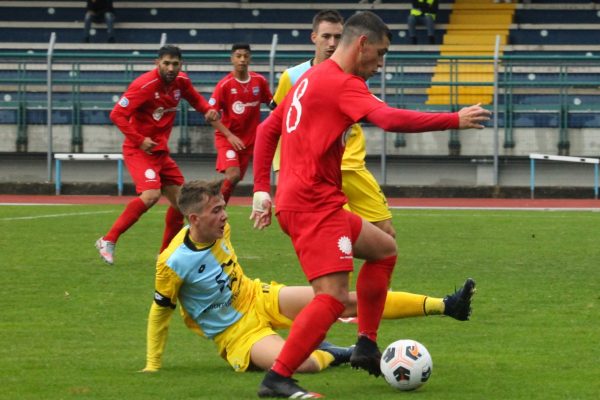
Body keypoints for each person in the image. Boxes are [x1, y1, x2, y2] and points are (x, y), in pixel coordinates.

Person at [251, 11, 490, 398]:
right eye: (379, 55)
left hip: (307, 200)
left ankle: (365, 343)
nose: (380, 65)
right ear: (361, 44)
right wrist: (453, 119)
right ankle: (277, 378)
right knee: (330, 297)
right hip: (313, 206)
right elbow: (389, 119)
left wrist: (263, 188)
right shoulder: (341, 83)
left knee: (384, 250)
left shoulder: (307, 77)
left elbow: (267, 129)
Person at [143, 179, 475, 375]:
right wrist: (153, 365)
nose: (225, 216)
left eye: (222, 208)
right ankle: (339, 351)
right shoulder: (172, 262)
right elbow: (160, 312)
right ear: (193, 218)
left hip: (260, 297)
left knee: (342, 302)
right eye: (216, 211)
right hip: (236, 334)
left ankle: (446, 305)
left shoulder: (221, 229)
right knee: (305, 366)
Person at [95, 45, 230, 265]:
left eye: (175, 64)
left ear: (180, 65)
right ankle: (108, 240)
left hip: (160, 152)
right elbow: (117, 114)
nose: (170, 67)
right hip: (139, 150)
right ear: (157, 63)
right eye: (166, 63)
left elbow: (195, 99)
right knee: (150, 195)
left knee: (182, 203)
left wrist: (207, 110)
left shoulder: (181, 82)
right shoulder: (144, 85)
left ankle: (165, 254)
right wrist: (140, 140)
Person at [272, 9, 395, 237]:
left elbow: (378, 115)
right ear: (314, 38)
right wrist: (281, 168)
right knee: (339, 238)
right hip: (317, 173)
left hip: (353, 166)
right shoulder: (293, 77)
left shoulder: (358, 72)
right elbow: (277, 127)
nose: (332, 43)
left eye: (338, 37)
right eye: (326, 36)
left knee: (386, 236)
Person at [209, 43, 273, 203]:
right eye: (238, 56)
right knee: (234, 174)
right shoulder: (224, 85)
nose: (242, 59)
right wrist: (229, 136)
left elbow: (272, 103)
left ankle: (214, 200)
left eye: (245, 56)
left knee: (234, 179)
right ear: (232, 59)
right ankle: (213, 205)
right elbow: (210, 116)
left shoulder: (259, 81)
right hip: (228, 139)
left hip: (248, 142)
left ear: (250, 58)